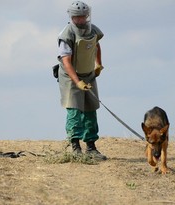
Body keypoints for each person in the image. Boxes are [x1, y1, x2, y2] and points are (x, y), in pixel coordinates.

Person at [57, 1, 107, 160]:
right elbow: (66, 61)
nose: (82, 19)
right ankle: (75, 147)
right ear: (72, 17)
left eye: (84, 16)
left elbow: (96, 45)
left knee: (91, 109)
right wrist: (77, 82)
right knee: (74, 110)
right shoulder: (67, 34)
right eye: (78, 17)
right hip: (71, 76)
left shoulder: (92, 30)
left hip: (88, 74)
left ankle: (91, 147)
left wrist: (98, 63)